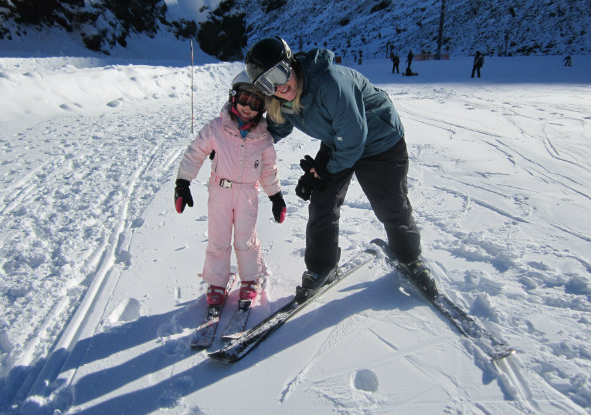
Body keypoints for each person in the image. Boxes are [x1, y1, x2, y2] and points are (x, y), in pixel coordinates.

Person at [244, 37, 438, 298]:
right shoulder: (282, 98)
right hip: (340, 139)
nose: (278, 85)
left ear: (291, 62)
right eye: (268, 83)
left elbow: (354, 140)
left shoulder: (330, 82)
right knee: (322, 203)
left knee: (391, 205)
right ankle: (322, 267)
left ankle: (410, 257)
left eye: (279, 73)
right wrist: (240, 145)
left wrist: (324, 170)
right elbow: (275, 129)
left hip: (380, 141)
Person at [174, 70, 287, 306]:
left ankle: (251, 278)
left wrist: (276, 196)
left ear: (262, 108)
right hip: (220, 191)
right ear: (233, 97)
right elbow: (195, 153)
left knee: (246, 239)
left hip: (248, 193)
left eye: (255, 103)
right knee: (218, 238)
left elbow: (268, 170)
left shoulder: (263, 138)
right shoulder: (216, 128)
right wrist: (183, 183)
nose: (248, 107)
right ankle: (216, 282)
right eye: (244, 99)